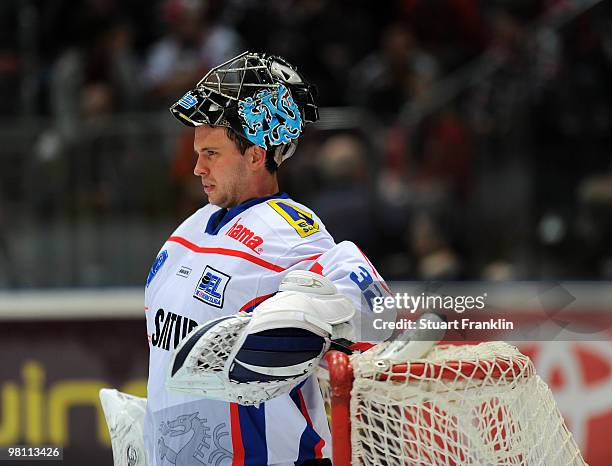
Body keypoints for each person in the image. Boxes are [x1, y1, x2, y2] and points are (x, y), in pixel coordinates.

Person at [141, 51, 388, 466]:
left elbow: (375, 313)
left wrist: (325, 307)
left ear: (256, 155)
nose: (197, 168)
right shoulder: (190, 227)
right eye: (197, 152)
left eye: (212, 154)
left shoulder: (288, 232)